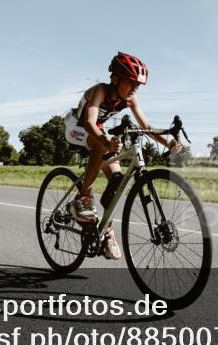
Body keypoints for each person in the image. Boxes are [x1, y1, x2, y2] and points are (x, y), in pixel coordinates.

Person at [64, 52, 181, 259]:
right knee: (102, 146)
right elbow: (90, 123)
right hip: (77, 126)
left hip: (96, 131)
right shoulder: (100, 91)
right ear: (115, 79)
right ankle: (83, 197)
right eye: (131, 84)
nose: (135, 90)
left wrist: (168, 142)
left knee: (116, 183)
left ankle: (107, 233)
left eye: (138, 86)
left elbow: (146, 126)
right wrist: (105, 141)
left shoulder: (130, 98)